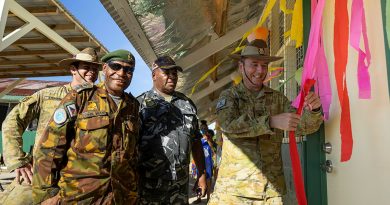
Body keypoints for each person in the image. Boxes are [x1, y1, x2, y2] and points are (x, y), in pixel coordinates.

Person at [208, 35, 324, 204]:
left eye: (264, 65)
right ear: (241, 67)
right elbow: (228, 126)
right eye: (254, 65)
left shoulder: (278, 99)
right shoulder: (229, 96)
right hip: (235, 193)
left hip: (270, 193)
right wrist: (270, 121)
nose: (260, 71)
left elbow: (302, 126)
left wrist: (314, 110)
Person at [32, 49, 140, 204]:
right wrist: (46, 195)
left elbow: (133, 156)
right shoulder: (81, 97)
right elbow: (50, 147)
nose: (122, 73)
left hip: (121, 197)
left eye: (129, 70)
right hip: (81, 196)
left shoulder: (133, 106)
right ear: (104, 69)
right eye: (116, 66)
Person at [0, 47, 101, 205]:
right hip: (39, 174)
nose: (92, 72)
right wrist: (17, 160)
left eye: (95, 68)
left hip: (77, 180)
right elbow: (13, 121)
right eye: (87, 67)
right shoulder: (47, 95)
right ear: (73, 69)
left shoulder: (101, 103)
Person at [137, 56, 207, 204]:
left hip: (180, 187)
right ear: (154, 75)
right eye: (166, 72)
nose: (172, 77)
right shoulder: (140, 104)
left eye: (174, 73)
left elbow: (195, 142)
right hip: (149, 188)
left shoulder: (187, 104)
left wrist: (201, 174)